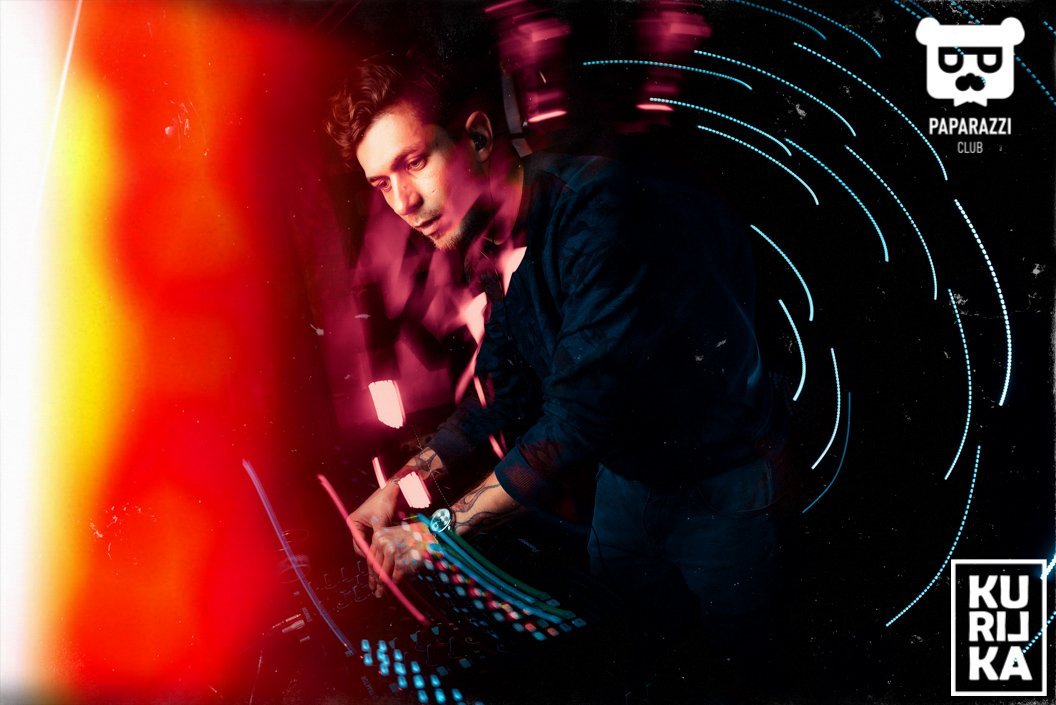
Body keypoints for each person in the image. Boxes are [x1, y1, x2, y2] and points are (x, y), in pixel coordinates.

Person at [325, 49, 793, 699]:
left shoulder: (596, 210)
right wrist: (402, 488)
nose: (402, 201)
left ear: (478, 137)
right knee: (636, 653)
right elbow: (503, 390)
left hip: (723, 479)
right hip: (630, 483)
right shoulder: (489, 239)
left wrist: (434, 536)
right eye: (381, 184)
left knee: (741, 673)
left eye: (415, 162)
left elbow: (575, 422)